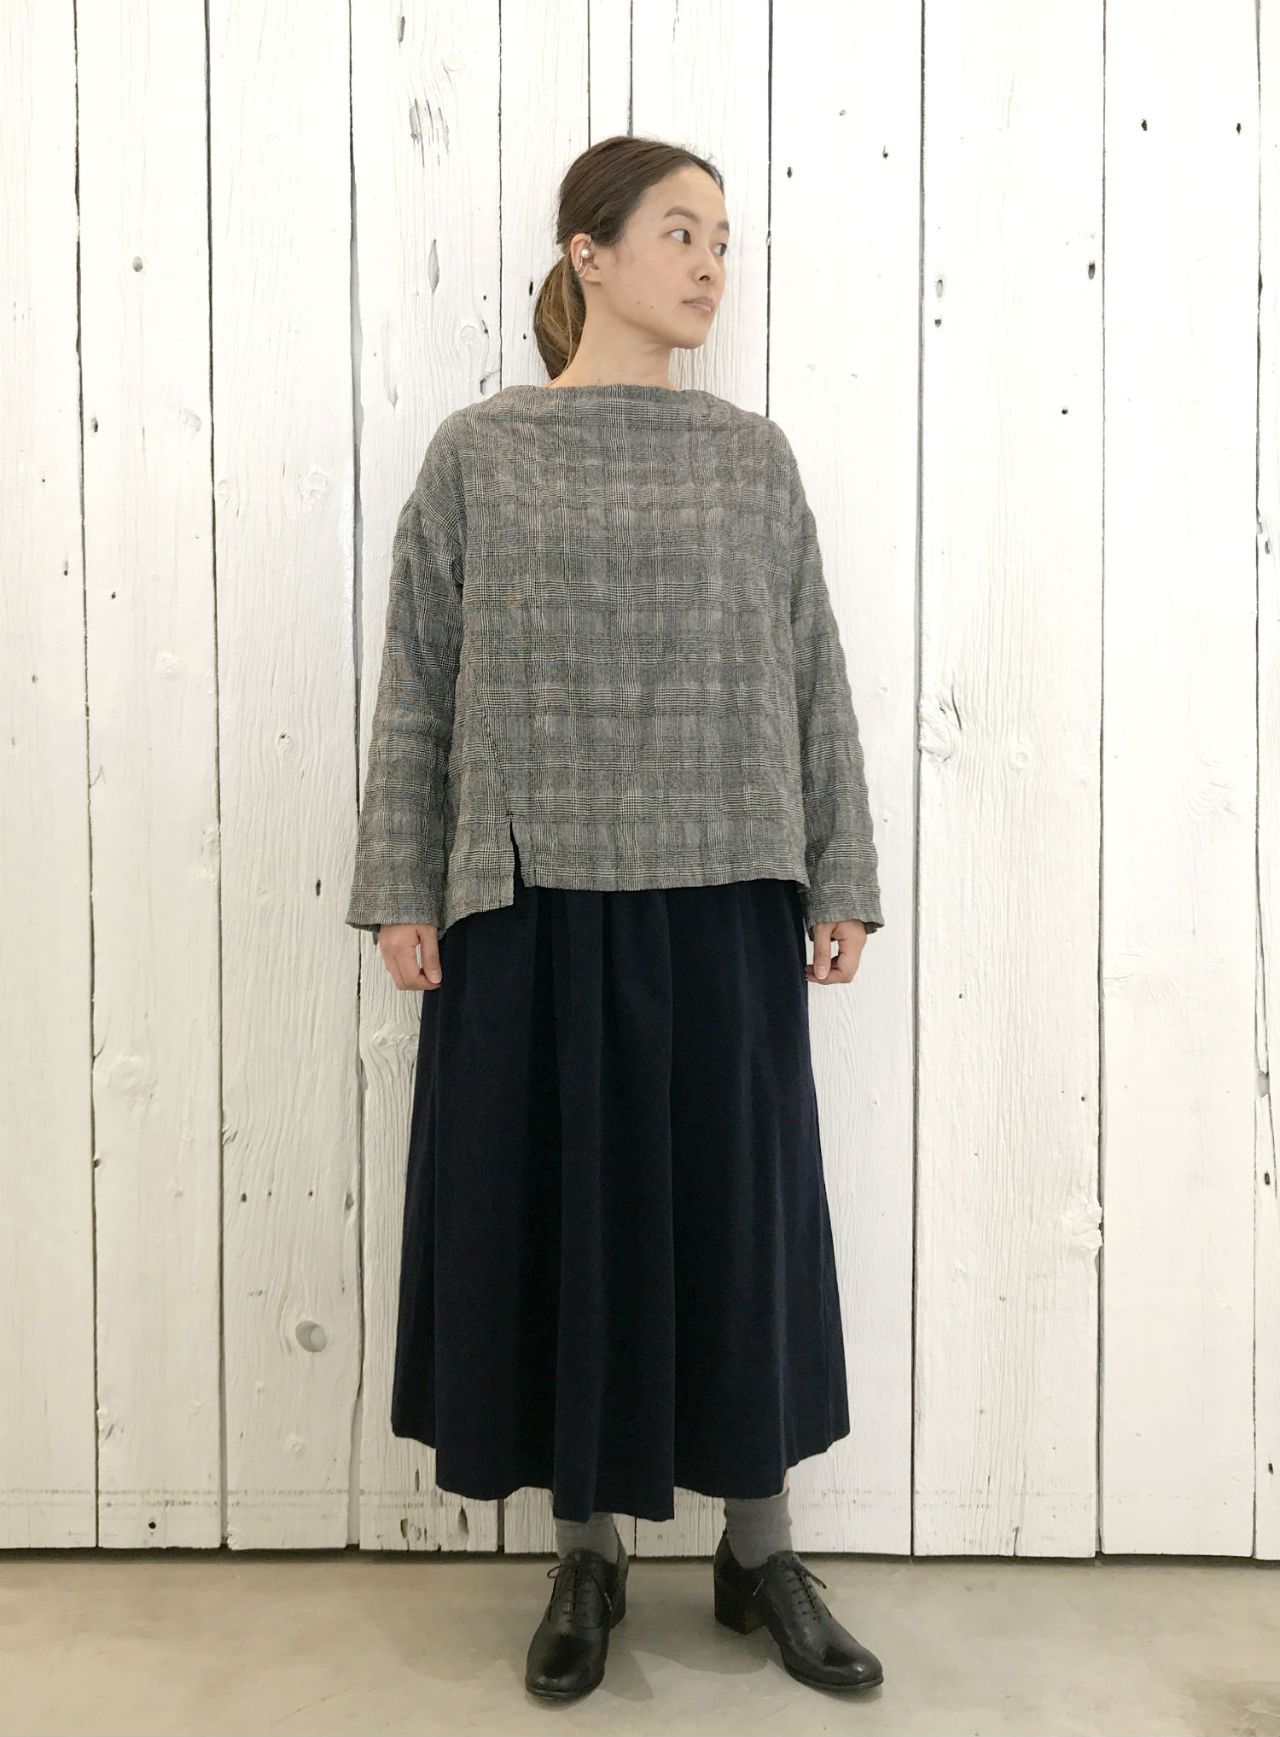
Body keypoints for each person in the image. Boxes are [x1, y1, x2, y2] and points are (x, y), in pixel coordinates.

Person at [345, 133, 886, 1702]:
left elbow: (811, 670)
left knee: (738, 1211)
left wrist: (842, 870)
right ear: (588, 254)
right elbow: (420, 677)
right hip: (531, 895)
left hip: (724, 887)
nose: (712, 262)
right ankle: (586, 1553)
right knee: (564, 1219)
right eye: (679, 231)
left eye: (723, 238)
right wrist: (400, 884)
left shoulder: (752, 458)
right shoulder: (479, 453)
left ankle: (761, 1549)